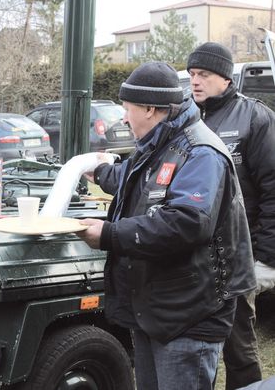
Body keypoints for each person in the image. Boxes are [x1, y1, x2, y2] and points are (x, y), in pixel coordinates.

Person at [77, 62, 256, 390]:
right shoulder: (158, 143)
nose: (124, 118)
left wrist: (108, 234)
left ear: (149, 108)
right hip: (157, 310)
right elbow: (139, 178)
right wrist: (101, 172)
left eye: (127, 109)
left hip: (189, 315)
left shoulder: (201, 153)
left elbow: (188, 222)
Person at [187, 42, 275, 390]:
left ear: (225, 78)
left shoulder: (255, 118)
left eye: (204, 75)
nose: (195, 81)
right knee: (196, 344)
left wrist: (265, 257)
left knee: (238, 343)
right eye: (192, 74)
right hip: (195, 255)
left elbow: (273, 189)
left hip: (241, 254)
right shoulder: (188, 118)